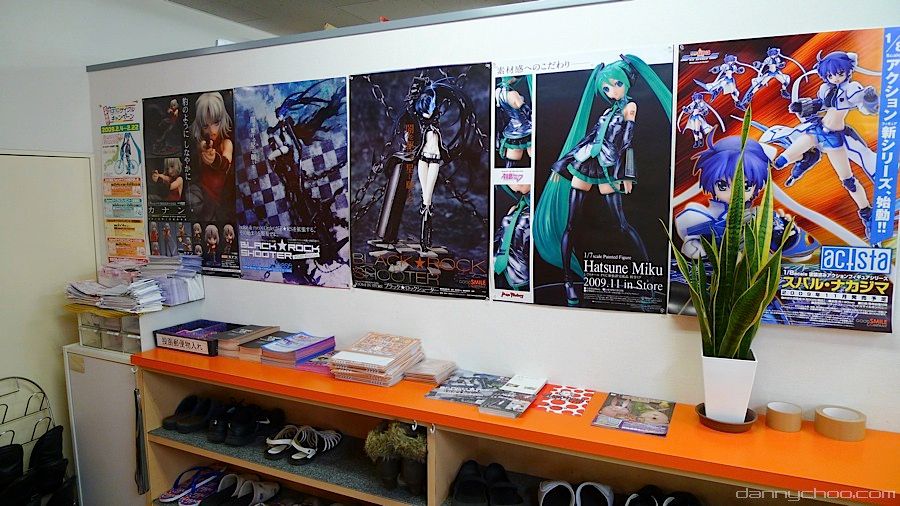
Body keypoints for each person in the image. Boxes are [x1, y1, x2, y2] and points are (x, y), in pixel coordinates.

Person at [533, 54, 672, 307]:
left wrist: (627, 174)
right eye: (606, 88)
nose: (612, 91)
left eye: (616, 85)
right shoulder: (608, 110)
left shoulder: (630, 107)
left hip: (608, 166)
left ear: (626, 83)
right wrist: (563, 162)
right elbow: (590, 137)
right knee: (571, 225)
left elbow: (627, 141)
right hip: (587, 162)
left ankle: (647, 280)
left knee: (622, 224)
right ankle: (568, 281)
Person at [768, 51, 880, 241]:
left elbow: (863, 106)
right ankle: (805, 158)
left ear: (847, 70)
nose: (835, 78)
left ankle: (867, 214)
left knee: (848, 181)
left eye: (839, 73)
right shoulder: (825, 89)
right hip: (817, 129)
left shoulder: (852, 88)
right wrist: (803, 107)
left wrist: (870, 99)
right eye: (830, 75)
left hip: (835, 138)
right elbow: (820, 105)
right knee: (781, 161)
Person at [189, 92, 234, 222]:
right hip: (202, 194)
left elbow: (226, 164)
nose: (212, 131)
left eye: (216, 123)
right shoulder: (202, 143)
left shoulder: (226, 143)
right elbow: (200, 146)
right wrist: (203, 148)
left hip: (221, 199)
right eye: (205, 126)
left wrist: (215, 159)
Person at [493, 184, 531, 291]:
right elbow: (500, 234)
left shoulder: (540, 210)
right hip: (497, 263)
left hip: (519, 271)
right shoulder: (515, 208)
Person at [495, 76, 533, 167]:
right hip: (526, 129)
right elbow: (527, 112)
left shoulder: (498, 92)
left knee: (512, 163)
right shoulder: (513, 94)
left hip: (512, 130)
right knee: (533, 158)